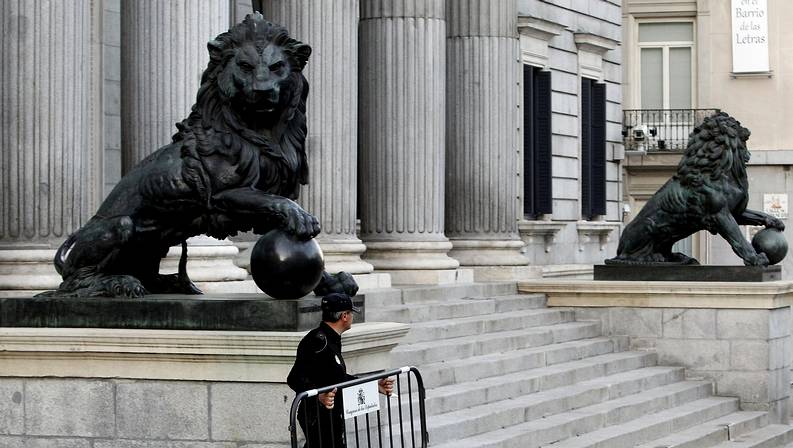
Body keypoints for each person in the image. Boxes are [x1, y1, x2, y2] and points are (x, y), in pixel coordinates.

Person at [288, 293, 394, 447]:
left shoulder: (332, 339)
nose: (352, 317)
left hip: (331, 414)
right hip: (316, 415)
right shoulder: (317, 341)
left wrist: (374, 385)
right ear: (344, 316)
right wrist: (318, 395)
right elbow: (294, 378)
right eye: (351, 313)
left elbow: (338, 378)